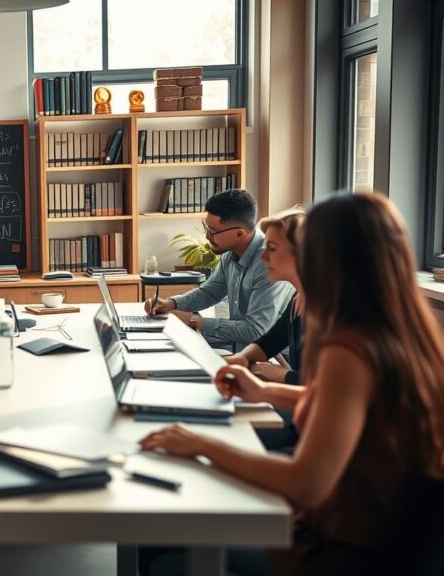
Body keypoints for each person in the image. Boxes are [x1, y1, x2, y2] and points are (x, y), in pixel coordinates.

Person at [140, 193, 444, 575]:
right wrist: (265, 391)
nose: (267, 256)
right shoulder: (398, 331)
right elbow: (348, 407)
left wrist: (201, 444)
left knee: (164, 544)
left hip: (343, 551)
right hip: (375, 534)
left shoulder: (348, 349)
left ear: (328, 257)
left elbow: (307, 482)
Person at [145, 190, 293, 352]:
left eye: (213, 231)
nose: (207, 237)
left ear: (239, 233)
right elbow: (210, 293)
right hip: (242, 352)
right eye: (206, 228)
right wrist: (171, 303)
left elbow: (255, 330)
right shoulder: (230, 253)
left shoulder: (270, 264)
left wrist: (194, 320)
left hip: (273, 360)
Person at [225, 208, 306, 451]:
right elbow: (270, 340)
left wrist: (279, 376)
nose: (263, 258)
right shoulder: (299, 299)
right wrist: (241, 358)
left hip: (310, 428)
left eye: (272, 249)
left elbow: (331, 390)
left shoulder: (329, 311)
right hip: (303, 416)